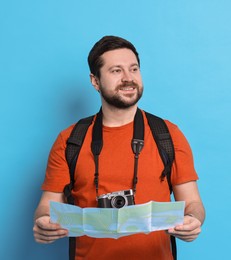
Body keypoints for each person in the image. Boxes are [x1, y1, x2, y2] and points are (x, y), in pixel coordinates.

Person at [33, 35, 205, 260]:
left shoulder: (168, 134)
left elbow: (193, 202)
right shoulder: (70, 140)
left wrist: (193, 219)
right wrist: (44, 222)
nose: (128, 78)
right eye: (116, 71)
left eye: (133, 69)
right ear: (95, 81)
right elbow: (48, 205)